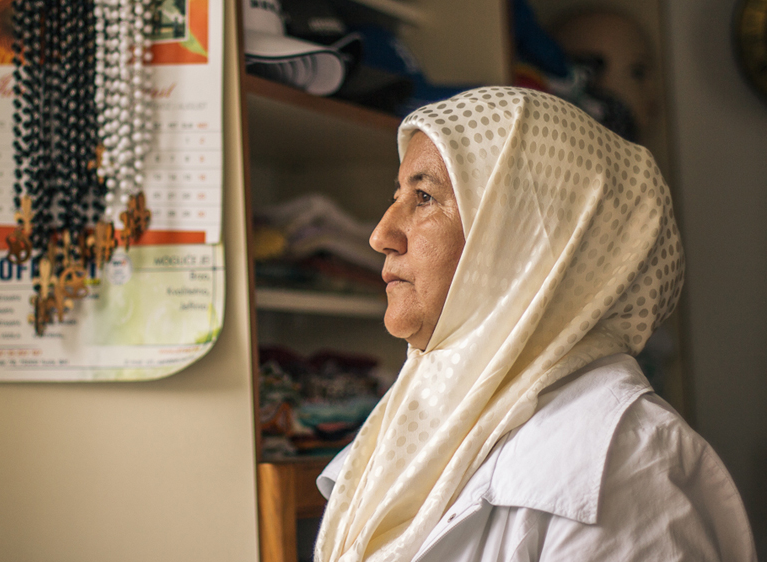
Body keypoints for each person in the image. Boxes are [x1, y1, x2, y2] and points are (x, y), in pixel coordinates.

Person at [313, 87, 756, 562]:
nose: (381, 235)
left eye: (424, 196)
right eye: (396, 195)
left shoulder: (628, 468)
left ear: (523, 241)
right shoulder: (413, 428)